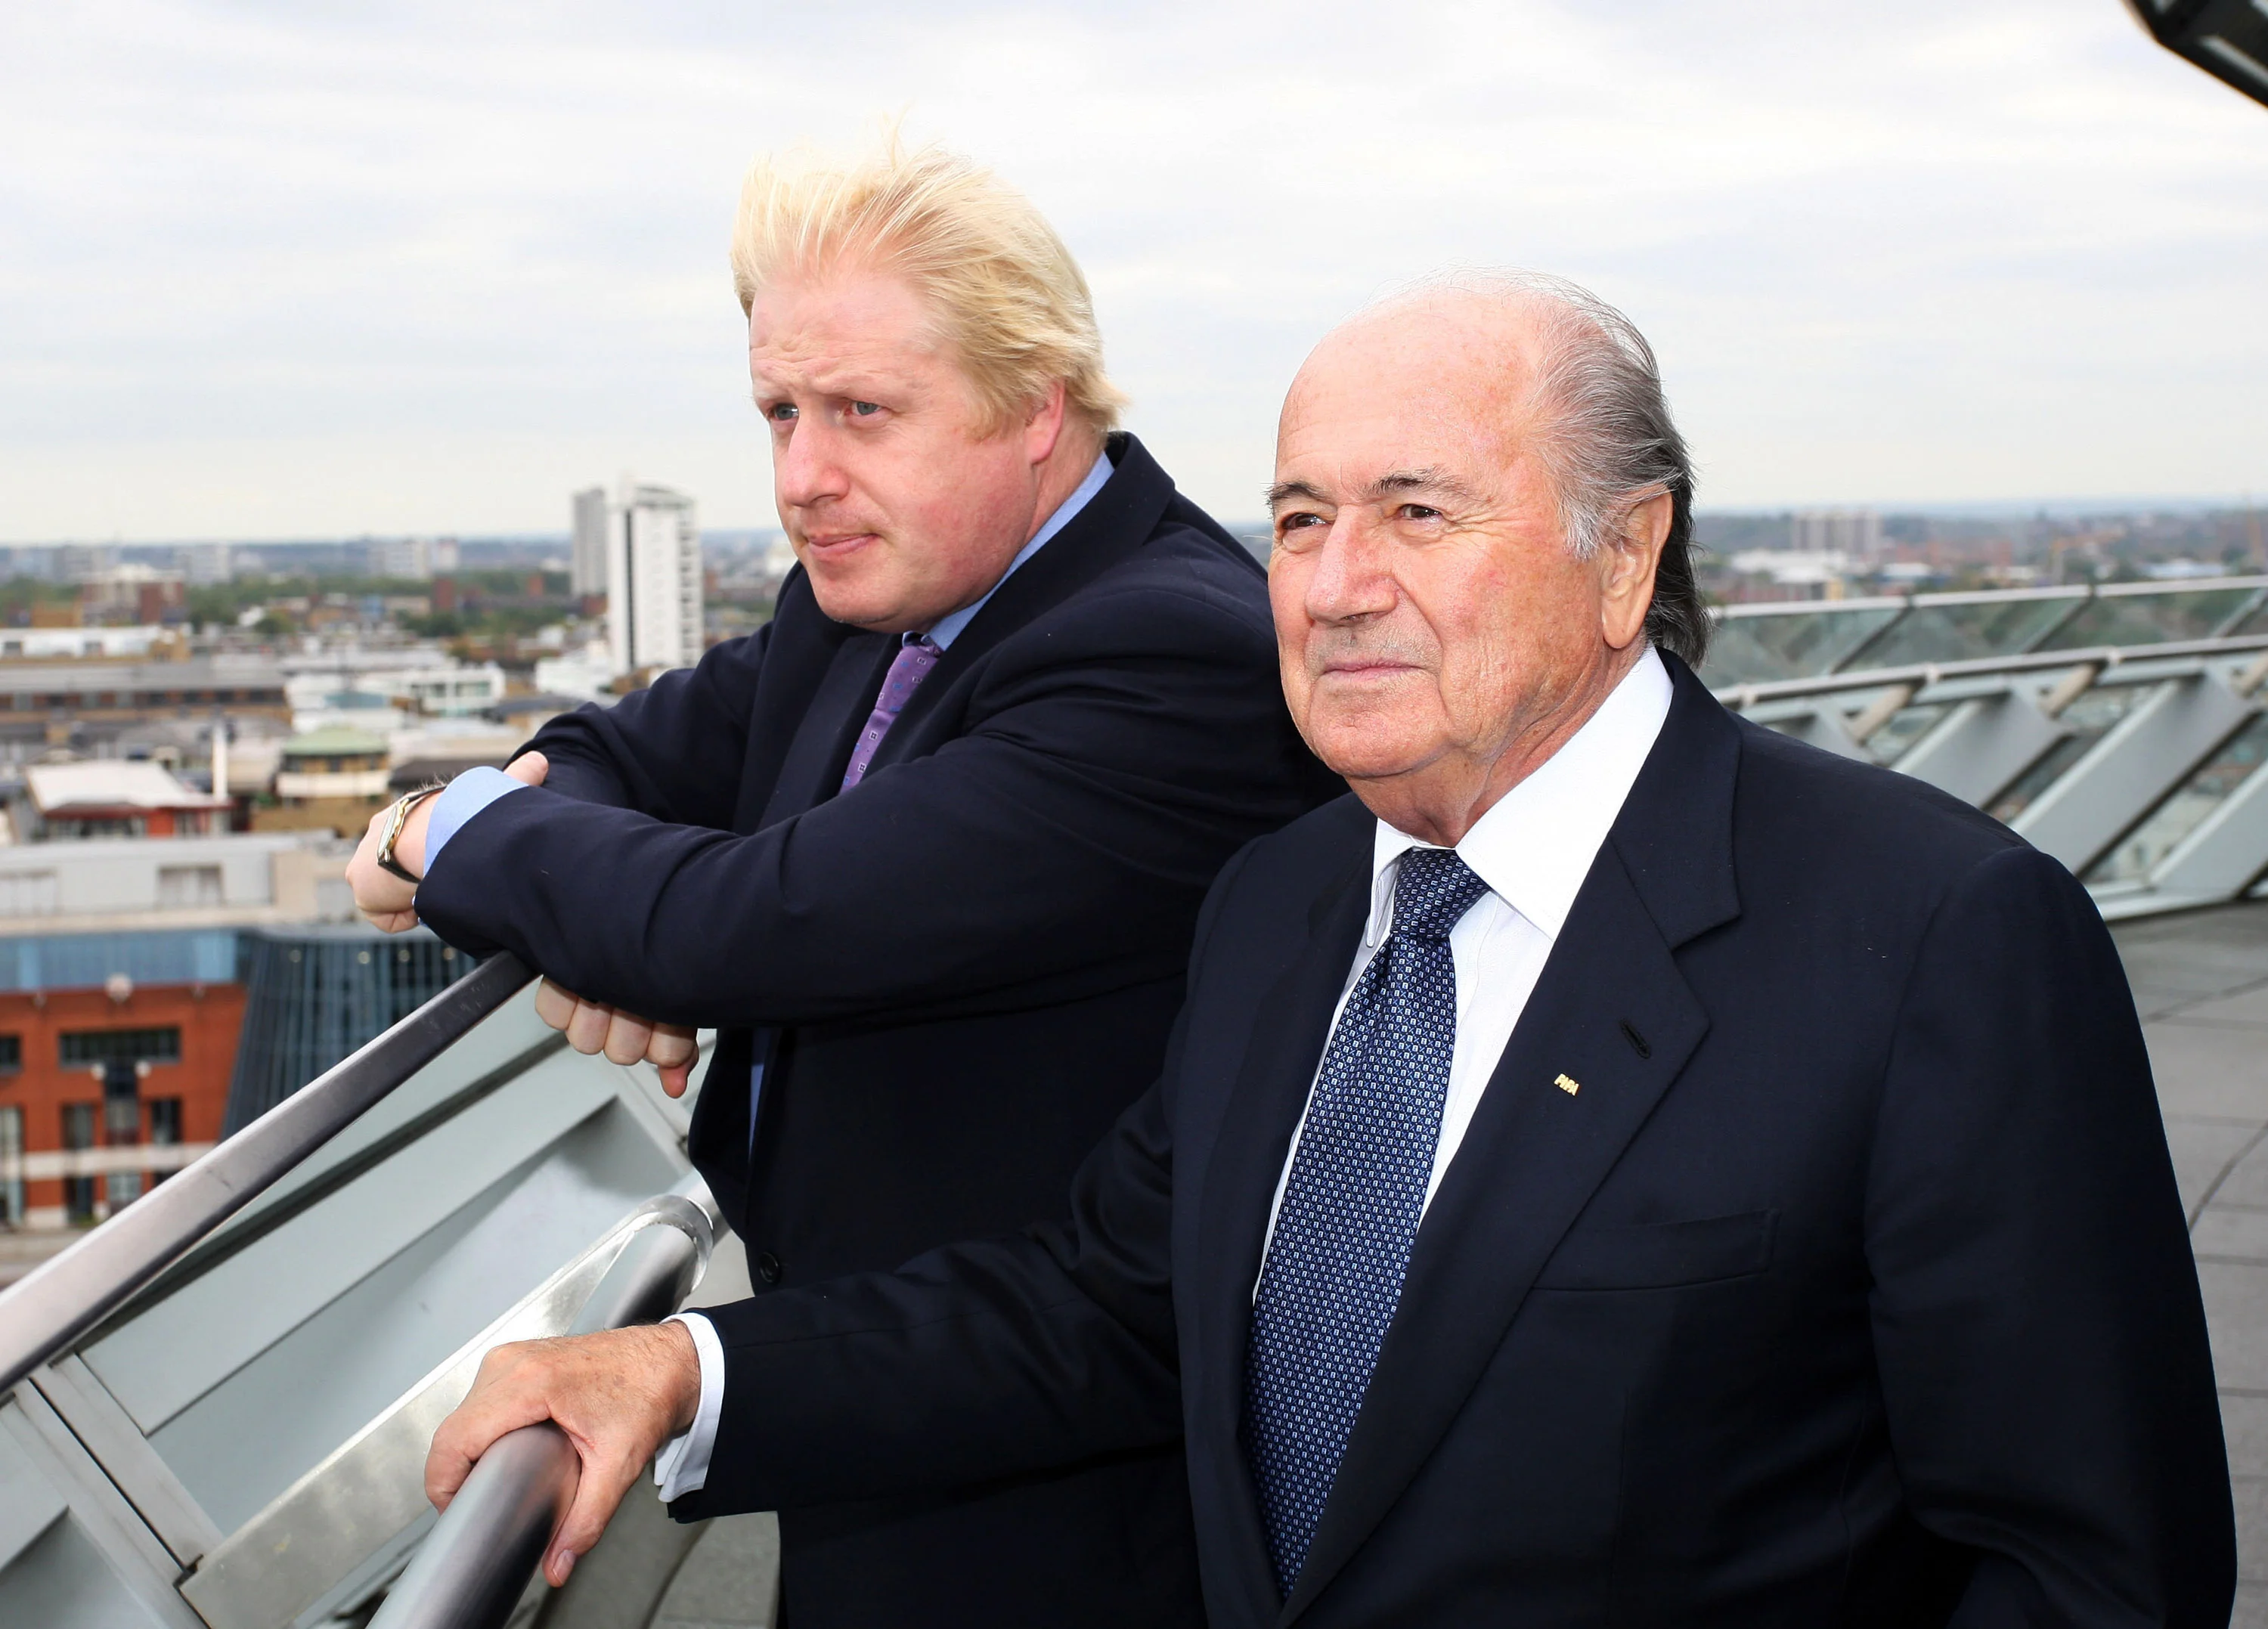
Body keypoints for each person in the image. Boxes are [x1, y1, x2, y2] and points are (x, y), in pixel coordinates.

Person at [426, 271, 2235, 1624]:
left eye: (1417, 512)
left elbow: (2089, 1570)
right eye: (1299, 519)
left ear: (1627, 559)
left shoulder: (1934, 944)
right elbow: (1110, 1308)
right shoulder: (1286, 903)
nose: (1334, 583)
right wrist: (686, 1373)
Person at [349, 139, 1336, 1627]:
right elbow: (618, 753)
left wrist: (444, 834)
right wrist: (575, 903)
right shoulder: (882, 592)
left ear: (1036, 407)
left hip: (1054, 1481)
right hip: (861, 1398)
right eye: (781, 412)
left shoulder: (1168, 654)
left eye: (863, 411)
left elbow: (745, 925)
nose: (802, 478)